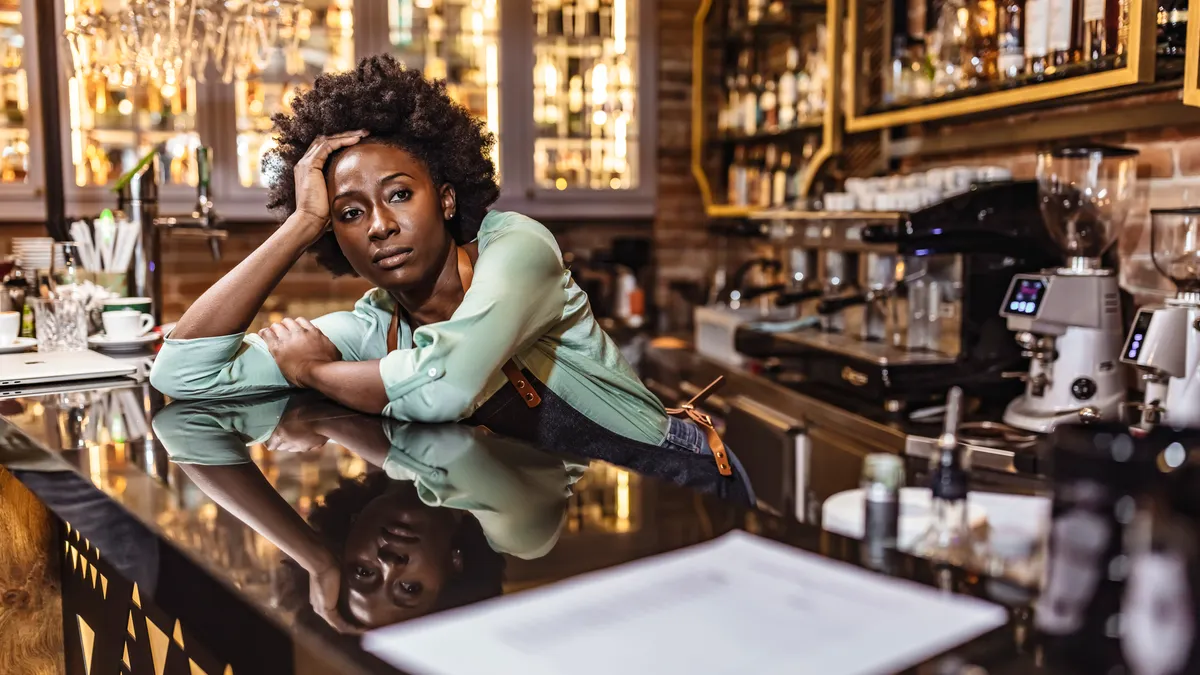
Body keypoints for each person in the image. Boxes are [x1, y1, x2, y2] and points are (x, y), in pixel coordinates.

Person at [149, 54, 669, 447]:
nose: (379, 226)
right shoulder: (375, 329)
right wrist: (302, 223)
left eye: (399, 194)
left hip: (673, 484)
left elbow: (447, 389)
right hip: (567, 505)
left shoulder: (516, 249)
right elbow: (182, 375)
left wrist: (312, 371)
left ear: (445, 199)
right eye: (349, 213)